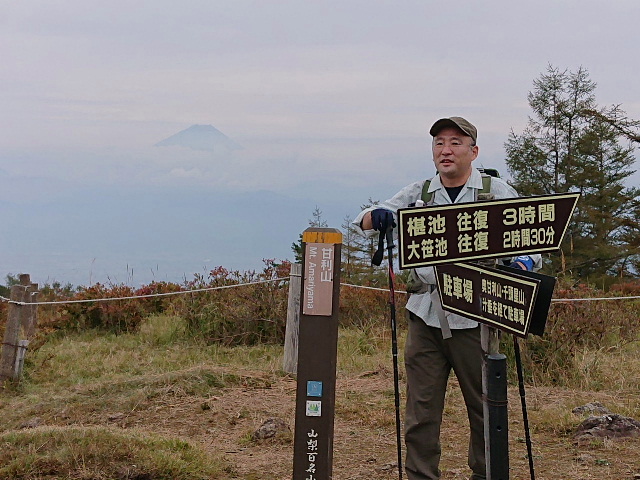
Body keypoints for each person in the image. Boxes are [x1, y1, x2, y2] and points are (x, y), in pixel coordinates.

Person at [352, 117, 541, 480]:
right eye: (439, 143)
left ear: (474, 151)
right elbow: (367, 219)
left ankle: (487, 475)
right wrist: (378, 216)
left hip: (478, 317)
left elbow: (533, 244)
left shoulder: (496, 192)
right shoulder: (419, 194)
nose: (446, 150)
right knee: (420, 412)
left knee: (486, 409)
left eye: (455, 142)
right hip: (425, 314)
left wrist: (521, 262)